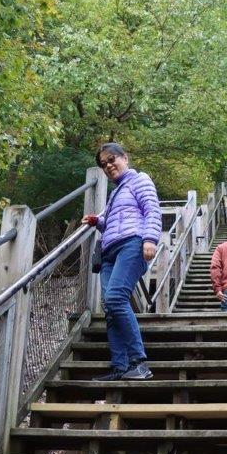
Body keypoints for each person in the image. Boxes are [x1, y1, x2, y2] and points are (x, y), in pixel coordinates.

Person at [81, 143, 161, 380]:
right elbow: (114, 221)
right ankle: (120, 367)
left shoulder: (140, 180)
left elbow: (152, 210)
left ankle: (139, 363)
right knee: (111, 309)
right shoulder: (115, 193)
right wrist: (98, 221)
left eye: (111, 159)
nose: (108, 165)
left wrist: (150, 239)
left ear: (125, 158)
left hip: (132, 245)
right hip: (109, 252)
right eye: (103, 164)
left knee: (116, 298)